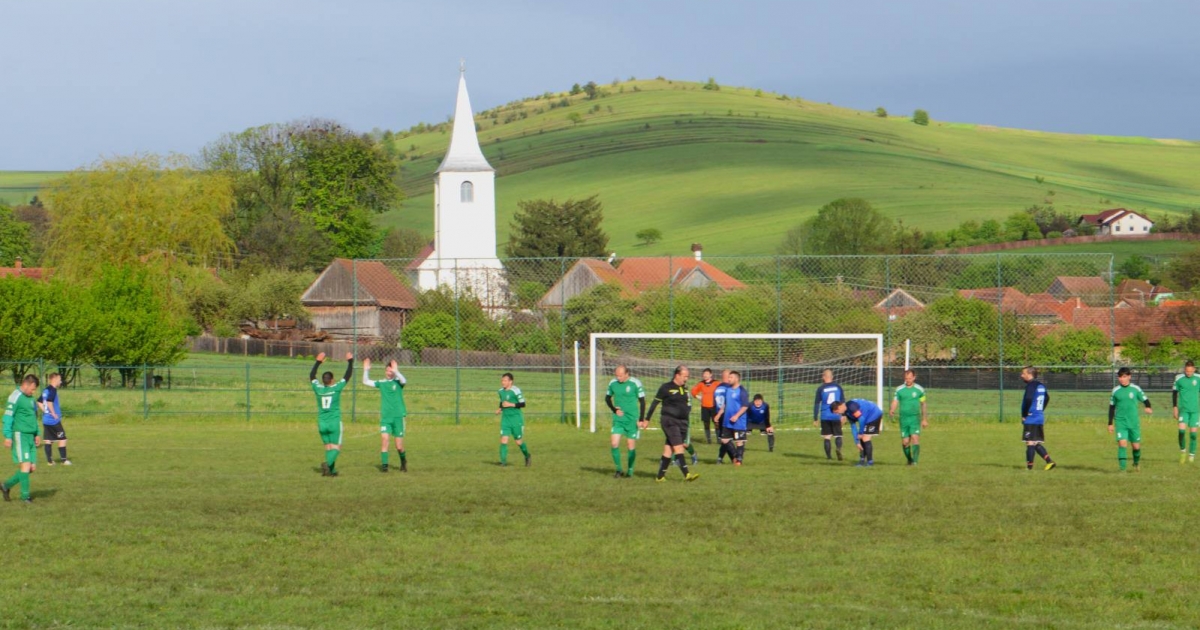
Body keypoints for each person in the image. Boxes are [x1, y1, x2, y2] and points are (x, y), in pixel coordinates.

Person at [645, 366, 700, 482]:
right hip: (669, 420)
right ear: (677, 375)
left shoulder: (685, 389)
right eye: (685, 376)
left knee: (668, 450)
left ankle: (660, 477)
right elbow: (654, 403)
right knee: (679, 447)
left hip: (682, 422)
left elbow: (687, 405)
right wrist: (646, 419)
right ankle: (687, 474)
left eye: (687, 376)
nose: (686, 379)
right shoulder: (666, 387)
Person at [310, 352, 353, 477]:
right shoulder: (336, 388)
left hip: (322, 423)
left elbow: (312, 376)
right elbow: (347, 376)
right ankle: (327, 464)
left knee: (329, 447)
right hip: (334, 422)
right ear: (332, 380)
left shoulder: (318, 388)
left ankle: (331, 471)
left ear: (323, 381)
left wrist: (318, 362)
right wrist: (350, 361)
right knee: (336, 447)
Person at [363, 358, 408, 473]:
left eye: (391, 371)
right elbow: (366, 381)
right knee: (384, 440)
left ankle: (403, 461)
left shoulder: (398, 382)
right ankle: (384, 467)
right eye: (387, 371)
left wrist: (397, 371)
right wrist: (366, 370)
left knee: (399, 446)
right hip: (386, 418)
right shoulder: (382, 383)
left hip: (398, 417)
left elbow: (404, 380)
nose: (389, 373)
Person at [1, 375, 42, 503]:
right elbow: (8, 416)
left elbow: (33, 417)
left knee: (31, 468)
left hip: (31, 436)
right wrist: (7, 436)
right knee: (25, 465)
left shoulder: (30, 399)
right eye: (33, 389)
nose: (33, 392)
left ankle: (6, 486)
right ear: (26, 384)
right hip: (20, 435)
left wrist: (37, 433)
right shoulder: (15, 396)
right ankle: (26, 497)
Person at [605, 365, 646, 478]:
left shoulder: (635, 383)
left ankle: (630, 470)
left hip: (632, 419)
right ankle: (619, 470)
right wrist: (614, 410)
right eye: (616, 375)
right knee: (614, 443)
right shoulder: (612, 383)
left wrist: (641, 419)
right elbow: (607, 398)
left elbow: (642, 401)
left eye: (620, 376)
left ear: (627, 373)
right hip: (618, 419)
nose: (618, 378)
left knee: (630, 445)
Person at [1109, 367, 1151, 472]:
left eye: (1124, 377)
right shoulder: (1115, 391)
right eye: (1120, 377)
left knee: (1136, 447)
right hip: (1120, 421)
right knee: (1122, 444)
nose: (1122, 379)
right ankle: (1122, 470)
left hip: (1133, 422)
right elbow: (1112, 407)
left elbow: (1145, 399)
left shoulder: (1135, 389)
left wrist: (1148, 406)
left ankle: (1136, 463)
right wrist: (1110, 423)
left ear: (1129, 377)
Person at [1020, 367, 1055, 471]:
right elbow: (1047, 398)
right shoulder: (1040, 385)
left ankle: (1029, 468)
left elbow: (1028, 399)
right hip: (1039, 417)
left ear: (1029, 374)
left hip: (1031, 418)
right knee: (1035, 442)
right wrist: (1040, 409)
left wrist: (1025, 414)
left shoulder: (1031, 386)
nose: (1021, 375)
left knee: (1030, 442)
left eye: (1023, 373)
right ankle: (1049, 461)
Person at [889, 370, 928, 466]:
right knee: (905, 442)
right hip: (903, 419)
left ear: (914, 377)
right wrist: (892, 410)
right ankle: (909, 460)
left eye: (910, 378)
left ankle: (915, 461)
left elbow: (923, 404)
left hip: (914, 418)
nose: (908, 380)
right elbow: (895, 401)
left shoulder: (920, 390)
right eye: (906, 378)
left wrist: (924, 419)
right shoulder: (899, 389)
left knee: (915, 438)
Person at [833, 398, 883, 467]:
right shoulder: (846, 412)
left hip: (874, 414)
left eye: (837, 411)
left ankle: (870, 462)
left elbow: (861, 419)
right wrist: (857, 442)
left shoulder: (851, 406)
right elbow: (853, 426)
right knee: (861, 439)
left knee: (865, 438)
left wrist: (861, 432)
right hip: (867, 417)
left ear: (840, 406)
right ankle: (862, 460)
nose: (838, 414)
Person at [496, 373, 531, 467]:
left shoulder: (516, 390)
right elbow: (502, 401)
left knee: (518, 441)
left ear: (510, 381)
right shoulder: (500, 391)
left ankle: (527, 456)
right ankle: (503, 462)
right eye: (502, 380)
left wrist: (511, 404)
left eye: (505, 380)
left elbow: (523, 404)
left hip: (516, 419)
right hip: (505, 419)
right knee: (503, 439)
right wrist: (500, 408)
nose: (503, 382)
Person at [716, 371, 750, 466]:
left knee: (739, 441)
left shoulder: (742, 391)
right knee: (724, 440)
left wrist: (736, 416)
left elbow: (745, 406)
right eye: (728, 377)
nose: (728, 379)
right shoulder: (728, 390)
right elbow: (725, 404)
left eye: (731, 377)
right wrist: (718, 415)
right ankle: (736, 455)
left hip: (738, 421)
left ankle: (739, 460)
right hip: (727, 421)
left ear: (736, 378)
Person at [38, 373, 71, 466]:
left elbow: (39, 402)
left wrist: (45, 412)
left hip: (46, 420)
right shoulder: (53, 390)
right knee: (63, 439)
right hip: (54, 421)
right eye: (59, 379)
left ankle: (50, 461)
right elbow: (49, 402)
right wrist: (53, 413)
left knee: (48, 440)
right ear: (55, 379)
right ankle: (64, 460)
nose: (60, 381)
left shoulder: (46, 390)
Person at [814, 369, 846, 460]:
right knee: (838, 435)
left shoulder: (821, 388)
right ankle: (838, 449)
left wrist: (815, 418)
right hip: (836, 415)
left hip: (825, 416)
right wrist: (843, 415)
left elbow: (816, 404)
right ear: (832, 377)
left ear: (823, 377)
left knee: (827, 437)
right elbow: (843, 402)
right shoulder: (838, 387)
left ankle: (829, 457)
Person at [1173, 360, 1200, 463]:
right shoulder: (1179, 379)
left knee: (1193, 434)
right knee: (1181, 431)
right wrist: (1175, 407)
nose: (1189, 373)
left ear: (1194, 369)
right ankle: (1183, 451)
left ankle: (1191, 455)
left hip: (1195, 411)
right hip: (1183, 410)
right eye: (1187, 371)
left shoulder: (1198, 379)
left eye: (1190, 371)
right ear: (1185, 369)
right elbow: (1174, 393)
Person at [690, 369, 721, 444]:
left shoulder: (716, 383)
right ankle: (709, 440)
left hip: (714, 406)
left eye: (707, 374)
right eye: (704, 374)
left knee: (716, 423)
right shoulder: (701, 384)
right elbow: (693, 391)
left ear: (711, 375)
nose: (705, 375)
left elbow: (722, 390)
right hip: (705, 407)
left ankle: (719, 440)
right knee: (706, 423)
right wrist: (698, 397)